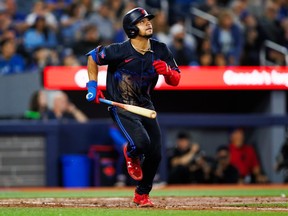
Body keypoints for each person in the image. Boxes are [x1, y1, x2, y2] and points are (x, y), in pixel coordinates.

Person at [85, 7, 181, 207]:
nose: (148, 23)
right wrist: (92, 85)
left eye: (148, 20)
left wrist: (168, 73)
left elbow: (176, 80)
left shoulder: (161, 49)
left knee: (155, 154)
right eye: (142, 21)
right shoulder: (118, 50)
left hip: (145, 105)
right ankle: (131, 152)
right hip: (121, 106)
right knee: (142, 143)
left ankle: (141, 195)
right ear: (131, 29)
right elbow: (92, 57)